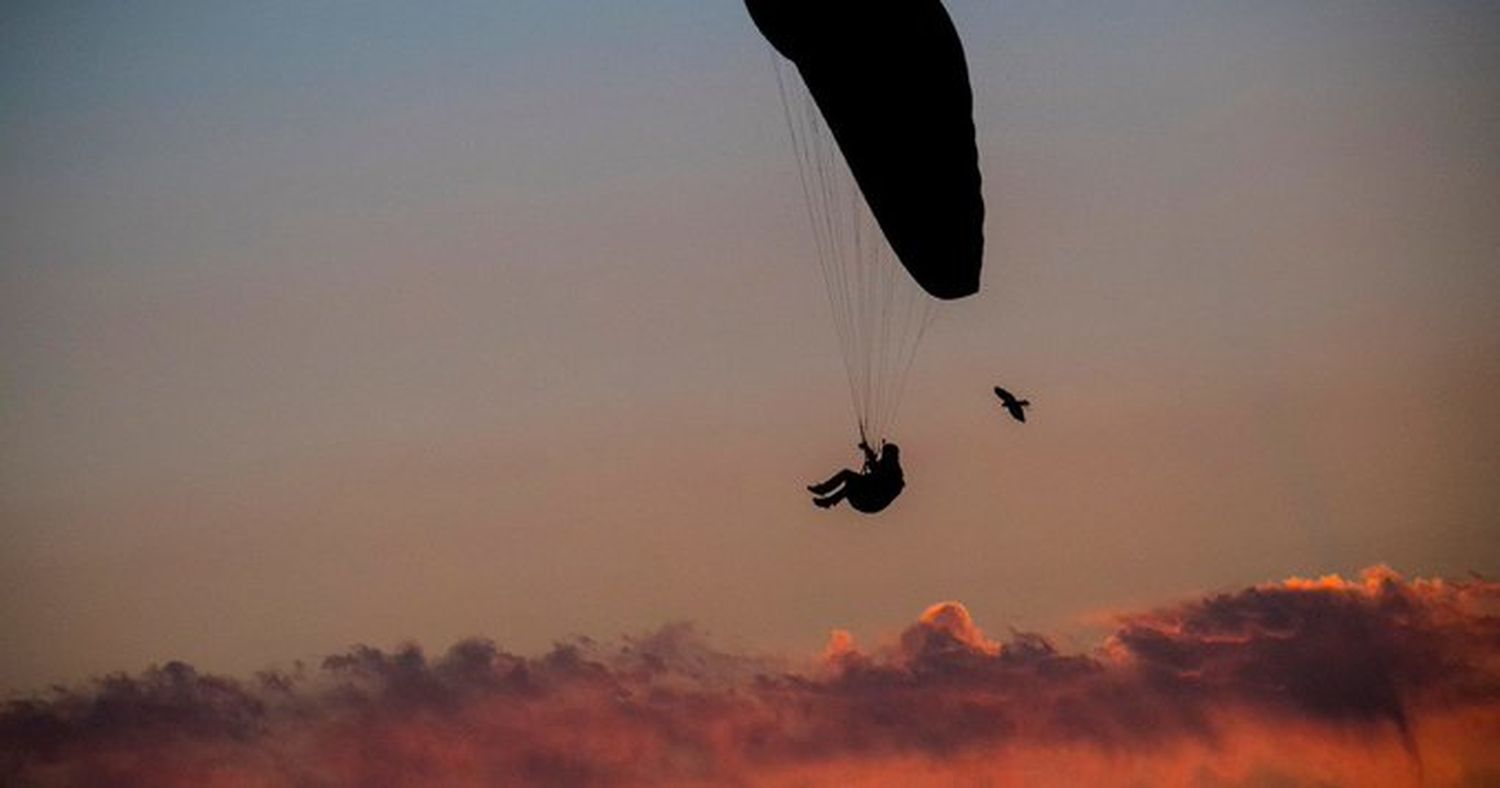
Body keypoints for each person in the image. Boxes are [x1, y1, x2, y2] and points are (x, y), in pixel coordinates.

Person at [808, 440, 905, 513]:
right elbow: (874, 466)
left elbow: (878, 477)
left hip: (870, 502)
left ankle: (826, 495)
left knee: (847, 476)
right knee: (850, 484)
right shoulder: (885, 466)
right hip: (865, 499)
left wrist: (871, 459)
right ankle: (825, 495)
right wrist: (867, 449)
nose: (884, 457)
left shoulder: (894, 473)